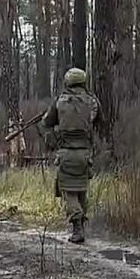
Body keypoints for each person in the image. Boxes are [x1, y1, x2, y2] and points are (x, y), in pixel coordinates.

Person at [41, 68, 102, 243]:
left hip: (66, 153)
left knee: (69, 192)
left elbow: (46, 122)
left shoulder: (60, 101)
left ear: (68, 81)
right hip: (85, 154)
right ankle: (81, 225)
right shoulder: (92, 101)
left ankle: (77, 227)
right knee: (81, 190)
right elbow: (99, 120)